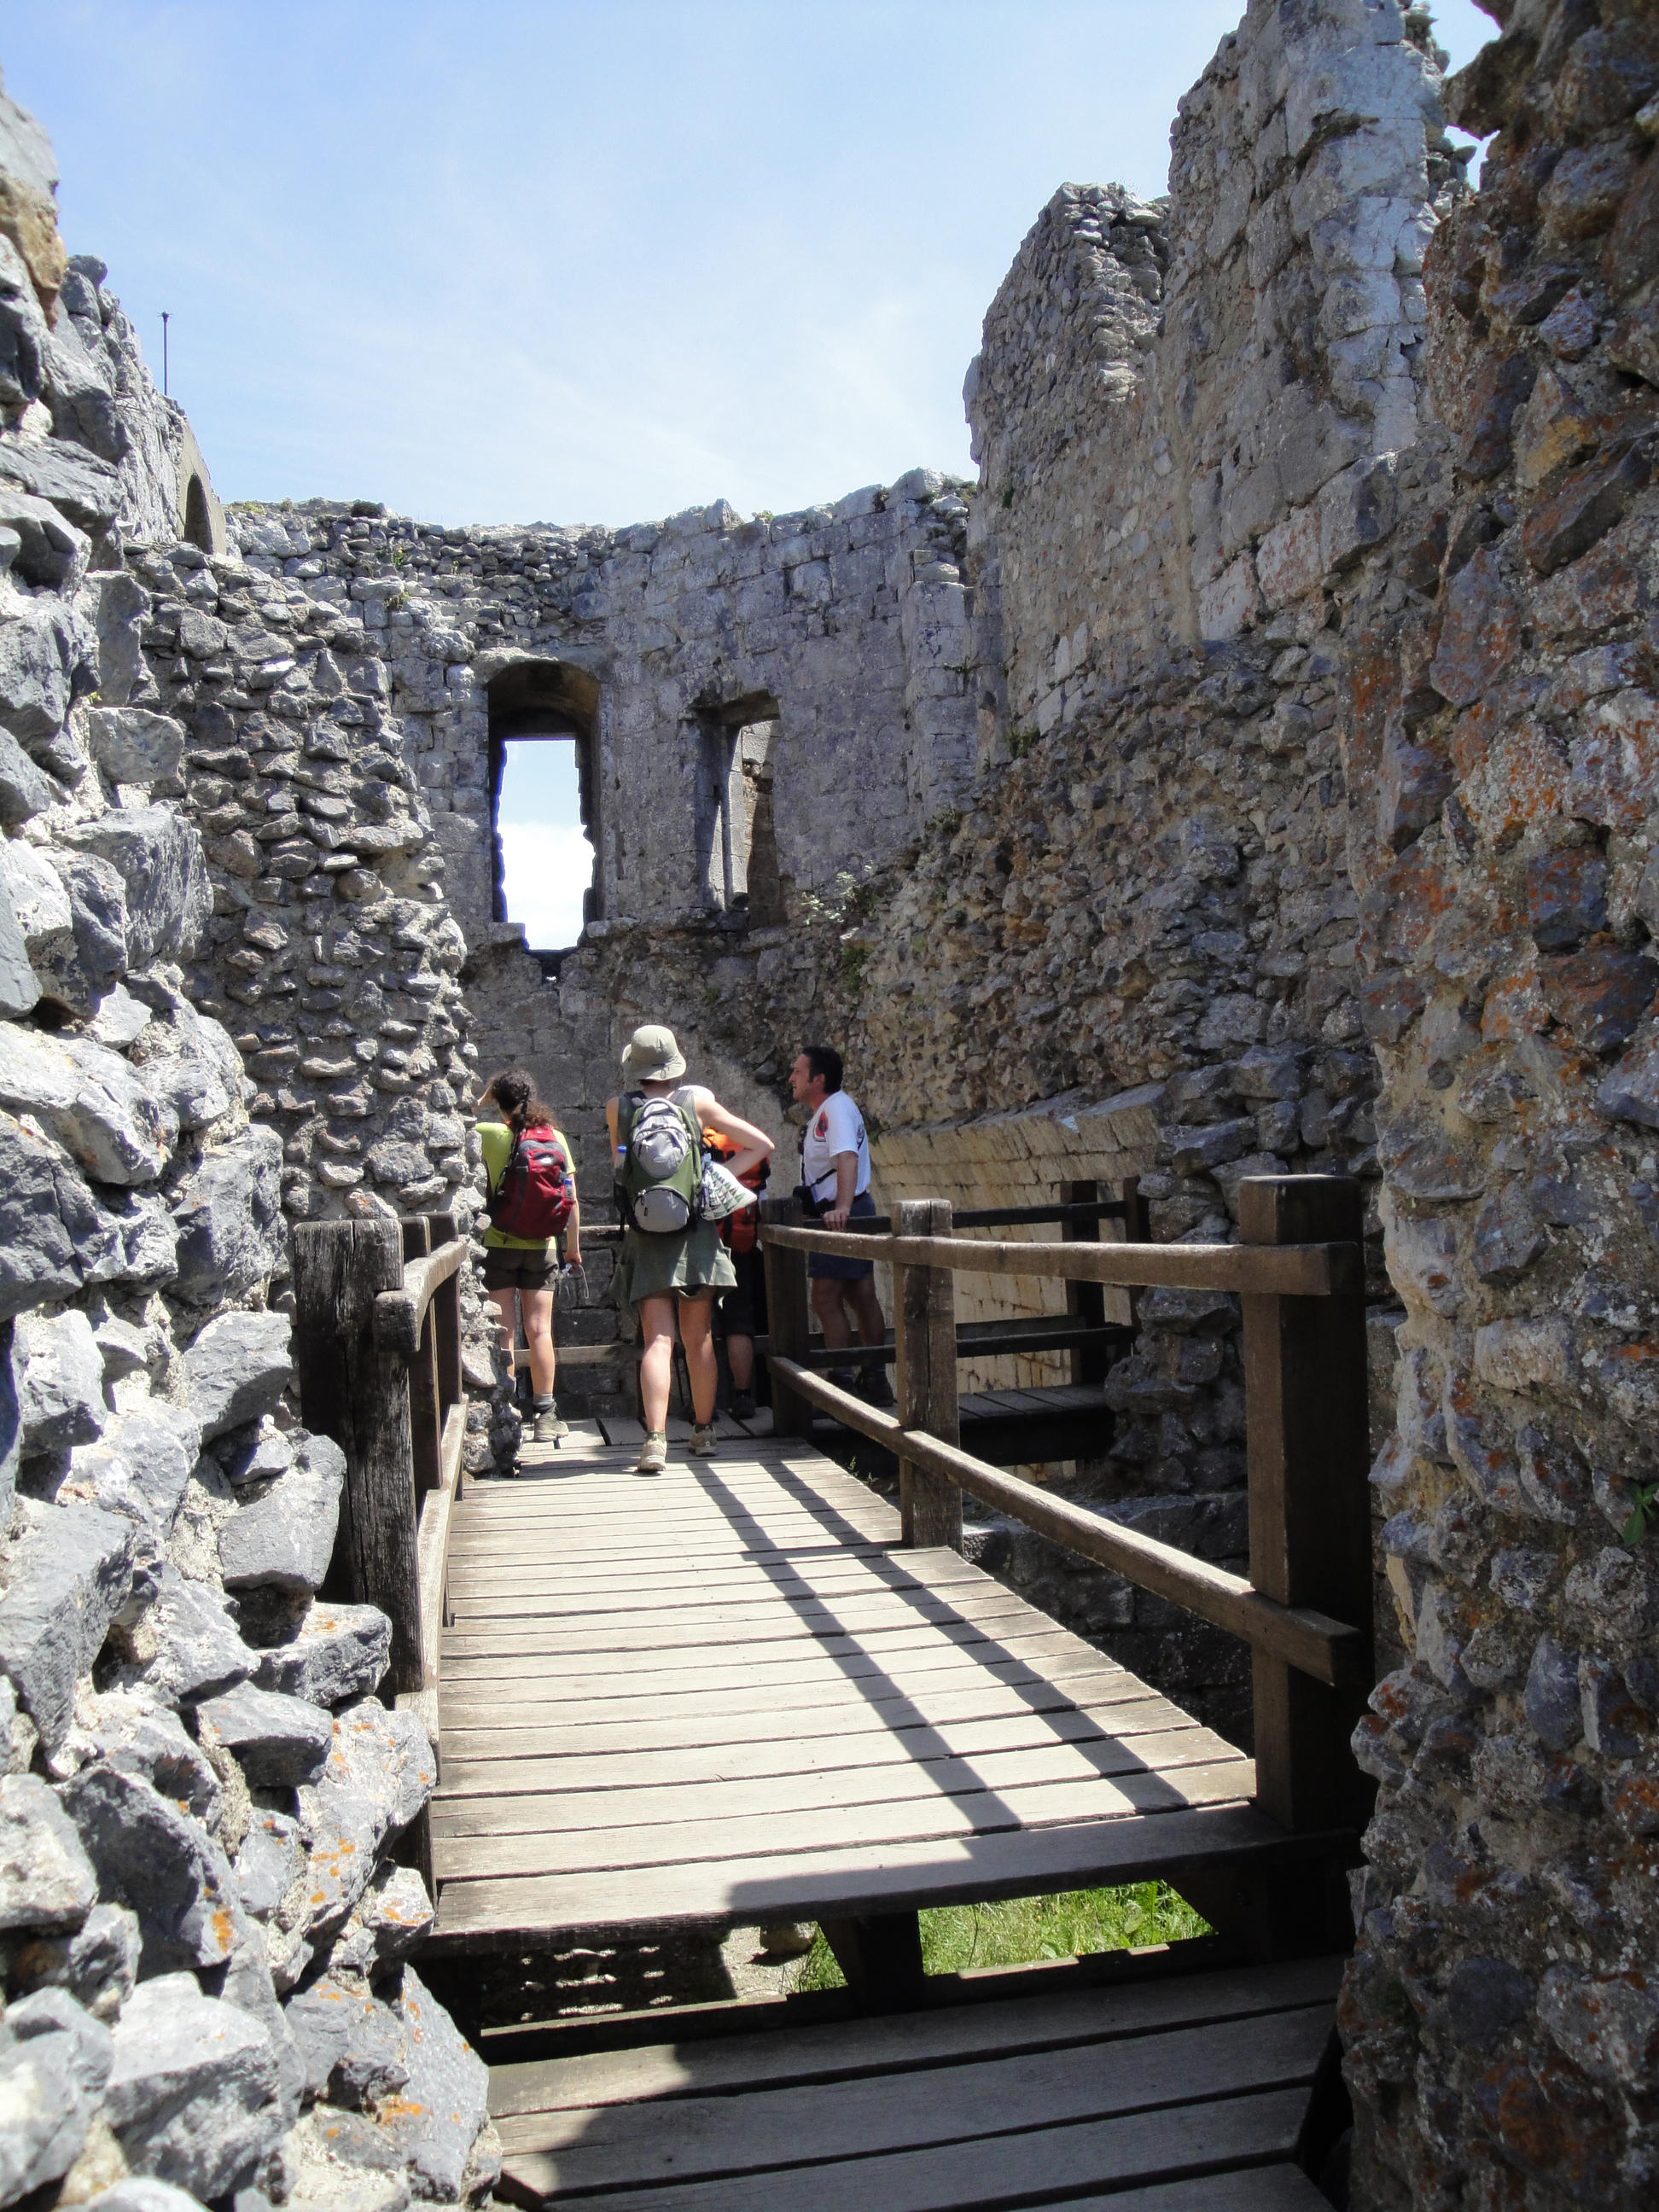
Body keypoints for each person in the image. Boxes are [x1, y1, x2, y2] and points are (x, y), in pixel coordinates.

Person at [608, 1024, 774, 1476]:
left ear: (635, 1067)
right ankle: (703, 1433)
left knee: (657, 1342)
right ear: (674, 1063)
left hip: (646, 1237)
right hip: (696, 1235)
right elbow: (762, 1145)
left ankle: (655, 1441)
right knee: (699, 1339)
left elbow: (621, 1169)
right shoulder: (696, 1102)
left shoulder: (618, 1109)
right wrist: (714, 1179)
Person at [476, 1069, 580, 1447]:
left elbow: (457, 1124)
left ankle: (505, 1411)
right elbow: (571, 1199)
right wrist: (572, 1247)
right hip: (542, 1248)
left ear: (499, 1102)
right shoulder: (555, 1139)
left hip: (499, 1244)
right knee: (540, 1331)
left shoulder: (489, 1135)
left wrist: (481, 1100)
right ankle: (546, 1417)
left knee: (505, 1333)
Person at [789, 1045, 894, 1406]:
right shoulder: (832, 1109)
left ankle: (843, 1380)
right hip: (848, 1211)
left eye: (798, 1072)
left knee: (825, 1298)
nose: (792, 1078)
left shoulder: (834, 1110)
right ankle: (874, 1379)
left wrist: (841, 1207)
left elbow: (846, 1157)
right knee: (858, 1294)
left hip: (843, 1214)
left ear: (818, 1079)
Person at [704, 1123, 769, 1423]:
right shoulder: (743, 1146)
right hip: (739, 1248)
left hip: (701, 1246)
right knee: (739, 1322)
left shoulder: (694, 1144)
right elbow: (761, 1200)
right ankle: (744, 1397)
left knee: (698, 1325)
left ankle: (700, 1403)